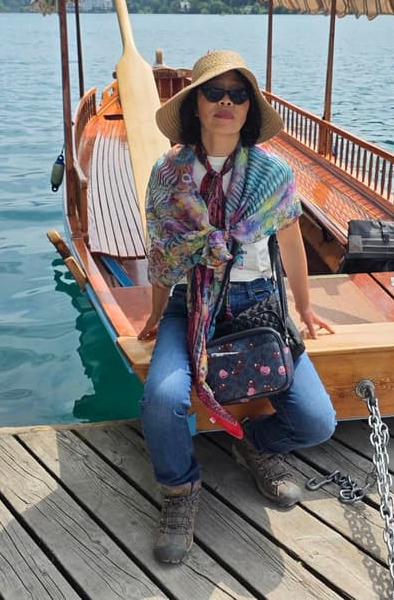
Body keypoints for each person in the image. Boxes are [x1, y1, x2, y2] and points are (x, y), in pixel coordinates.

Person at [138, 49, 337, 564]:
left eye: (238, 94)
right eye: (214, 92)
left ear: (249, 108)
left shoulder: (273, 174)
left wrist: (304, 307)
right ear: (195, 105)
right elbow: (165, 253)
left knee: (317, 422)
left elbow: (291, 241)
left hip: (259, 305)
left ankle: (254, 443)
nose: (226, 102)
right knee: (162, 400)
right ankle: (180, 492)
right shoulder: (168, 174)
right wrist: (158, 312)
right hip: (191, 304)